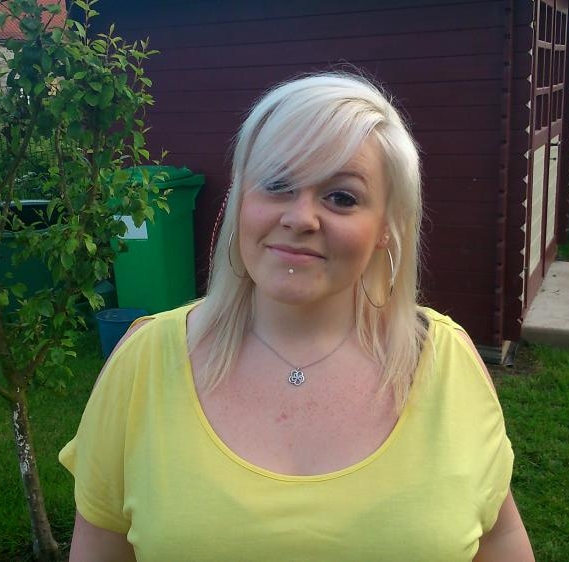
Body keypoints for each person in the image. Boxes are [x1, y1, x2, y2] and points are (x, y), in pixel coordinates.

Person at [60, 72, 534, 561]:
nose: (300, 218)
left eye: (342, 197)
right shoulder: (143, 363)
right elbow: (99, 546)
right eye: (277, 185)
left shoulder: (446, 363)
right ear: (241, 202)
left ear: (386, 228)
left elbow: (498, 537)